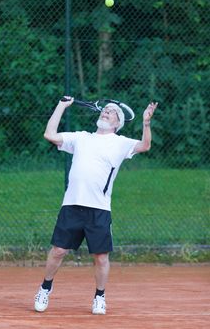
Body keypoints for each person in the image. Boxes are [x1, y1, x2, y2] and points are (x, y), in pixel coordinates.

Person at [34, 96, 158, 315]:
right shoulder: (81, 138)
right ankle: (45, 288)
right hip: (72, 205)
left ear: (117, 123)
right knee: (58, 251)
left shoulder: (121, 143)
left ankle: (99, 296)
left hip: (99, 209)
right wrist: (61, 105)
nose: (106, 112)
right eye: (105, 110)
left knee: (101, 257)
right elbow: (49, 135)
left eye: (111, 112)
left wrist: (146, 123)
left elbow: (145, 145)